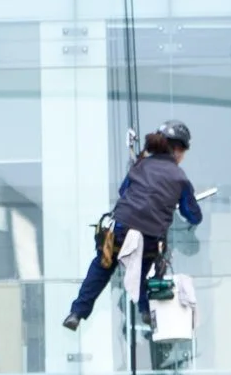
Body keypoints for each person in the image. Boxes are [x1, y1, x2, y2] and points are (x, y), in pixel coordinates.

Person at [63, 125, 202, 333]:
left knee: (101, 268)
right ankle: (146, 311)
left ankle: (77, 313)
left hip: (120, 228)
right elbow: (194, 216)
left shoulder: (141, 166)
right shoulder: (180, 179)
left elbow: (123, 191)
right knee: (146, 270)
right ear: (179, 151)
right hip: (148, 238)